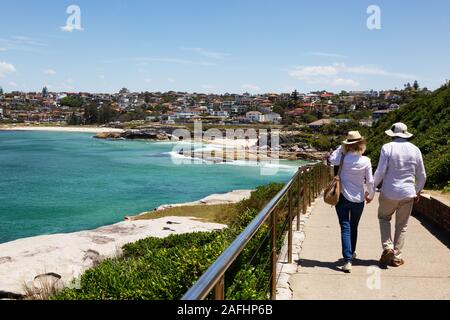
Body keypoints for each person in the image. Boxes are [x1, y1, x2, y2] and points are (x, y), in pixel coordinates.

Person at [373, 123, 426, 267]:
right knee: (402, 225)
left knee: (384, 218)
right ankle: (397, 256)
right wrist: (417, 191)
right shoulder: (415, 150)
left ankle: (388, 247)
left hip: (389, 192)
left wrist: (371, 189)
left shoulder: (387, 147)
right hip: (408, 193)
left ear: (392, 134)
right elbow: (422, 175)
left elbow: (380, 171)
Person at [329, 131, 374, 273]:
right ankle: (351, 253)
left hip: (342, 197)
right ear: (361, 144)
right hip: (359, 198)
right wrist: (370, 195)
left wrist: (341, 147)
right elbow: (370, 181)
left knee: (345, 227)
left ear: (347, 144)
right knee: (354, 226)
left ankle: (348, 260)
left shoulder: (342, 159)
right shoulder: (366, 161)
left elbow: (331, 159)